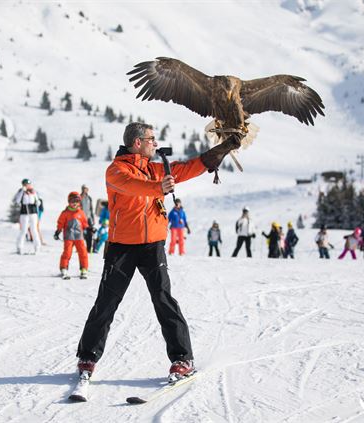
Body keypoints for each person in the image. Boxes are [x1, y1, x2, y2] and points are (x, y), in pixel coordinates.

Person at [75, 121, 236, 384]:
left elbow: (182, 170)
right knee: (107, 302)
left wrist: (212, 156)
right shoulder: (116, 170)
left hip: (153, 245)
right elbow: (132, 185)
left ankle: (182, 359)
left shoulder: (154, 168)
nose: (155, 143)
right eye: (151, 139)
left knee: (164, 300)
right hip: (122, 246)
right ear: (137, 142)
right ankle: (88, 356)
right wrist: (158, 188)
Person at [55, 191, 89, 278]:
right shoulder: (65, 213)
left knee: (83, 252)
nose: (75, 203)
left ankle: (84, 269)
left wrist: (89, 229)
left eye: (77, 201)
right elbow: (60, 223)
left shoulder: (81, 213)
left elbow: (84, 223)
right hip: (68, 236)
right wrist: (58, 231)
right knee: (67, 253)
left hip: (79, 236)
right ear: (69, 202)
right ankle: (64, 268)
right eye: (72, 201)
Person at [14, 179, 41, 254]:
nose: (27, 185)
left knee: (34, 230)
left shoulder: (34, 191)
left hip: (33, 213)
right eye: (25, 184)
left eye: (28, 184)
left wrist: (37, 202)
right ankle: (19, 247)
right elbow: (17, 200)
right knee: (23, 230)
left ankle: (37, 247)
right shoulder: (21, 191)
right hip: (24, 213)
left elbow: (38, 201)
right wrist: (22, 192)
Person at [80, 184, 95, 253]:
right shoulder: (79, 197)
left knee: (90, 233)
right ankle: (81, 248)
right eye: (84, 189)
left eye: (86, 189)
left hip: (88, 218)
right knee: (82, 234)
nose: (85, 190)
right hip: (81, 218)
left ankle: (89, 248)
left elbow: (91, 209)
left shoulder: (89, 198)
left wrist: (93, 218)